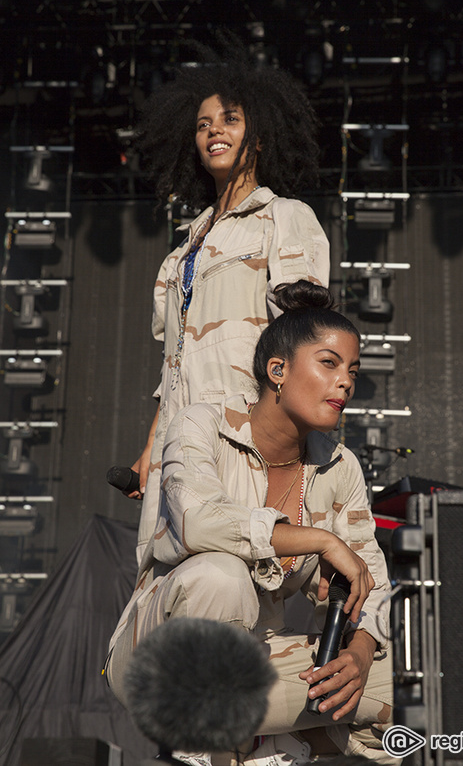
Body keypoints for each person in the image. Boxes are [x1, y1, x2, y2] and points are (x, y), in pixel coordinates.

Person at [106, 282, 396, 765]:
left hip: (254, 661)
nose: (346, 381)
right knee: (218, 574)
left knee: (413, 682)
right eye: (328, 363)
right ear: (276, 370)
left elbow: (372, 578)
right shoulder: (202, 424)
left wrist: (362, 651)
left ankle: (263, 744)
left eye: (353, 370)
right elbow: (199, 523)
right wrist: (320, 540)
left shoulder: (339, 467)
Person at [129, 33, 330, 563]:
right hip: (181, 449)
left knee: (232, 585)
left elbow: (305, 342)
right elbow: (172, 366)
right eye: (203, 124)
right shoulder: (182, 251)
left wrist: (283, 445)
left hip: (242, 441)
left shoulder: (283, 218)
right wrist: (152, 450)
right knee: (162, 596)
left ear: (258, 138)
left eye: (231, 119)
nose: (214, 130)